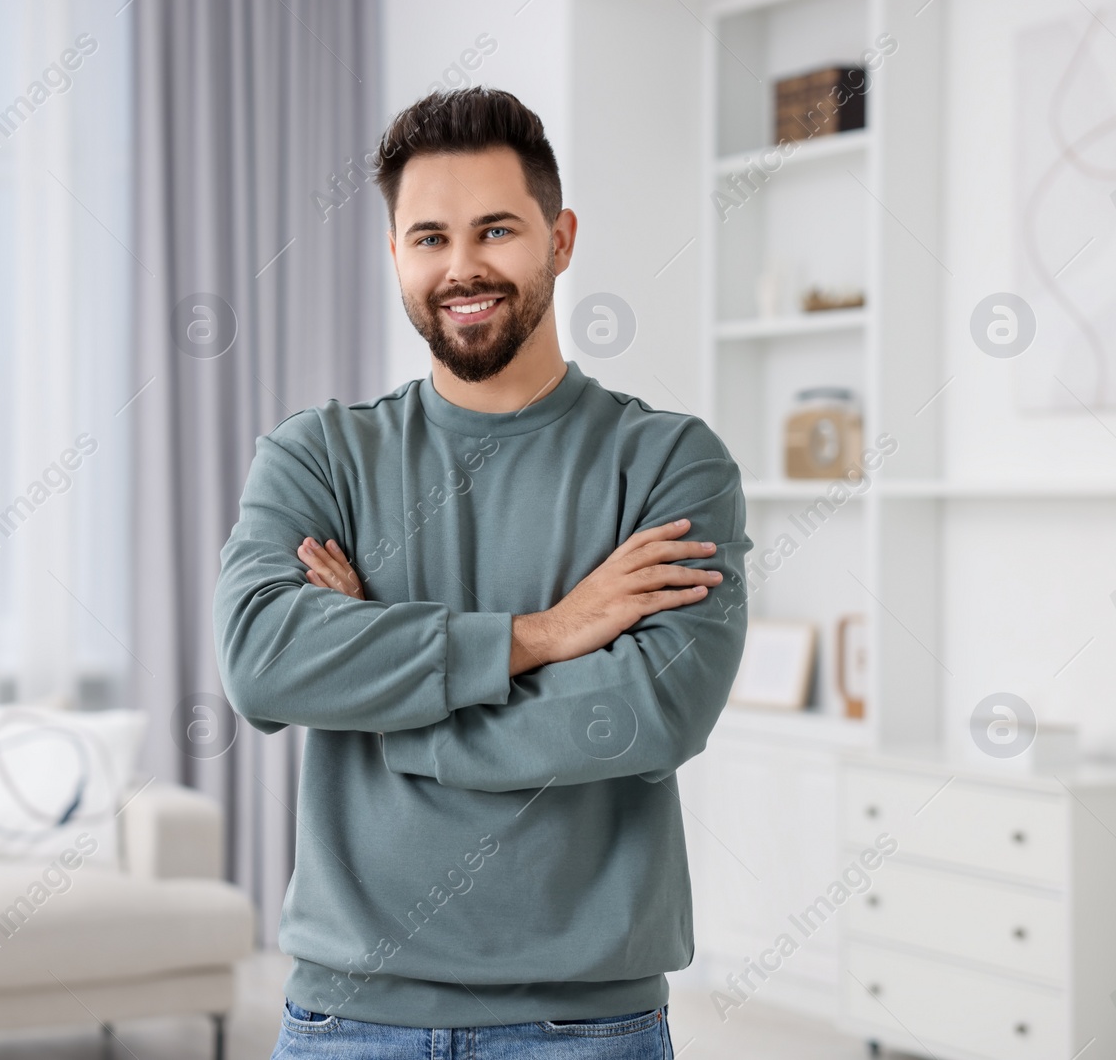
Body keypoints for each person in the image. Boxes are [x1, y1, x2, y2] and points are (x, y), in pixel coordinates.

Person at [212, 85, 750, 1059]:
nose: (461, 266)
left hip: (585, 1023)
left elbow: (651, 712)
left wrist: (392, 709)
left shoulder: (670, 463)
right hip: (346, 1019)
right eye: (428, 237)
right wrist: (544, 633)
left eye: (495, 228)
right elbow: (258, 660)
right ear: (394, 255)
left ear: (560, 235)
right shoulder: (316, 455)